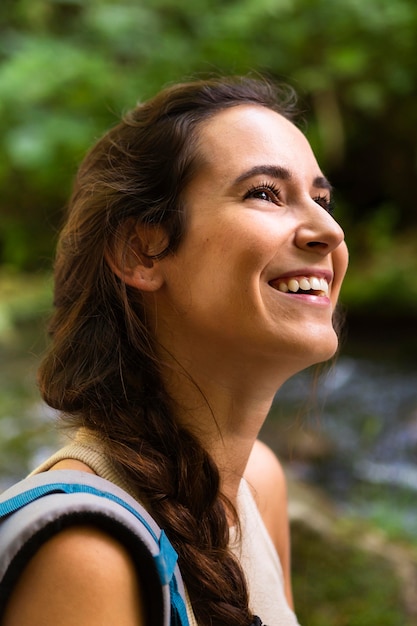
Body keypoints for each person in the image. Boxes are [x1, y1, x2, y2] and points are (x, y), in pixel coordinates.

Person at [1, 75, 348, 626]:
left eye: (322, 199)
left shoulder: (257, 484)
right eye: (264, 192)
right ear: (142, 250)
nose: (328, 229)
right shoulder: (87, 553)